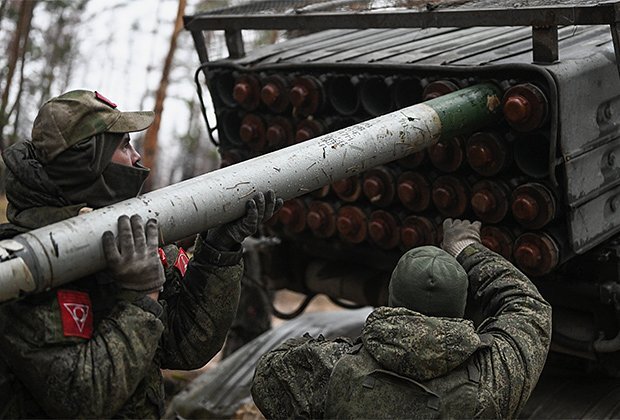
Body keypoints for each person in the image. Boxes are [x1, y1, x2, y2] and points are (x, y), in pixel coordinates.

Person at [0, 90, 282, 418]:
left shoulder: (131, 234)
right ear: (86, 162)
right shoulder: (24, 267)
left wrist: (218, 252)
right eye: (123, 145)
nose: (137, 158)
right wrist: (140, 298)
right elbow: (82, 398)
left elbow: (186, 347)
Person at [251, 218, 552, 419]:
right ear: (461, 307)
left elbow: (266, 378)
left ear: (392, 297)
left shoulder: (329, 369)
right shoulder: (495, 381)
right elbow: (528, 304)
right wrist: (467, 249)